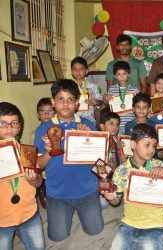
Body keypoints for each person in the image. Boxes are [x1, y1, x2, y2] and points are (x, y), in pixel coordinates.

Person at [34, 80, 104, 242]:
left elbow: (100, 160)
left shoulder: (87, 125)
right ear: (53, 102)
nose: (66, 104)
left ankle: (97, 202)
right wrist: (49, 151)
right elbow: (38, 165)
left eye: (70, 99)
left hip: (87, 190)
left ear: (77, 103)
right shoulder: (43, 129)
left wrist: (89, 139)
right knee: (58, 237)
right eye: (60, 99)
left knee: (95, 230)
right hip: (58, 193)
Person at [102, 124, 163, 250]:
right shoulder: (121, 170)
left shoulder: (158, 165)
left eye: (154, 146)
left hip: (154, 224)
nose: (151, 150)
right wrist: (110, 197)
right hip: (129, 222)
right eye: (147, 145)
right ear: (133, 145)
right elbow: (116, 201)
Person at [0, 102, 46, 250]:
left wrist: (33, 180)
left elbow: (39, 183)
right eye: (3, 123)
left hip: (29, 214)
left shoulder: (27, 152)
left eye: (14, 123)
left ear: (19, 127)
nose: (9, 128)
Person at [29, 97, 55, 209]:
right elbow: (31, 158)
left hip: (57, 169)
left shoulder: (59, 130)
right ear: (37, 115)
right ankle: (41, 191)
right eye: (42, 111)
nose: (46, 114)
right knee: (47, 205)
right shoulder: (34, 134)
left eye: (50, 111)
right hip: (43, 174)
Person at [103, 61, 139, 135]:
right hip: (116, 125)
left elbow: (138, 106)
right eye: (119, 74)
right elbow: (107, 105)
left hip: (130, 122)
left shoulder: (134, 90)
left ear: (129, 75)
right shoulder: (112, 89)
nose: (122, 76)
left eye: (124, 74)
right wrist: (106, 99)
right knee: (118, 144)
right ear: (115, 76)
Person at [71, 56, 103, 125]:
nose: (78, 71)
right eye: (75, 69)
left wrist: (96, 102)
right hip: (72, 118)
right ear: (72, 72)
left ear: (86, 71)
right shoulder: (68, 86)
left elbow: (101, 102)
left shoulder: (93, 86)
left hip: (88, 119)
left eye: (81, 69)